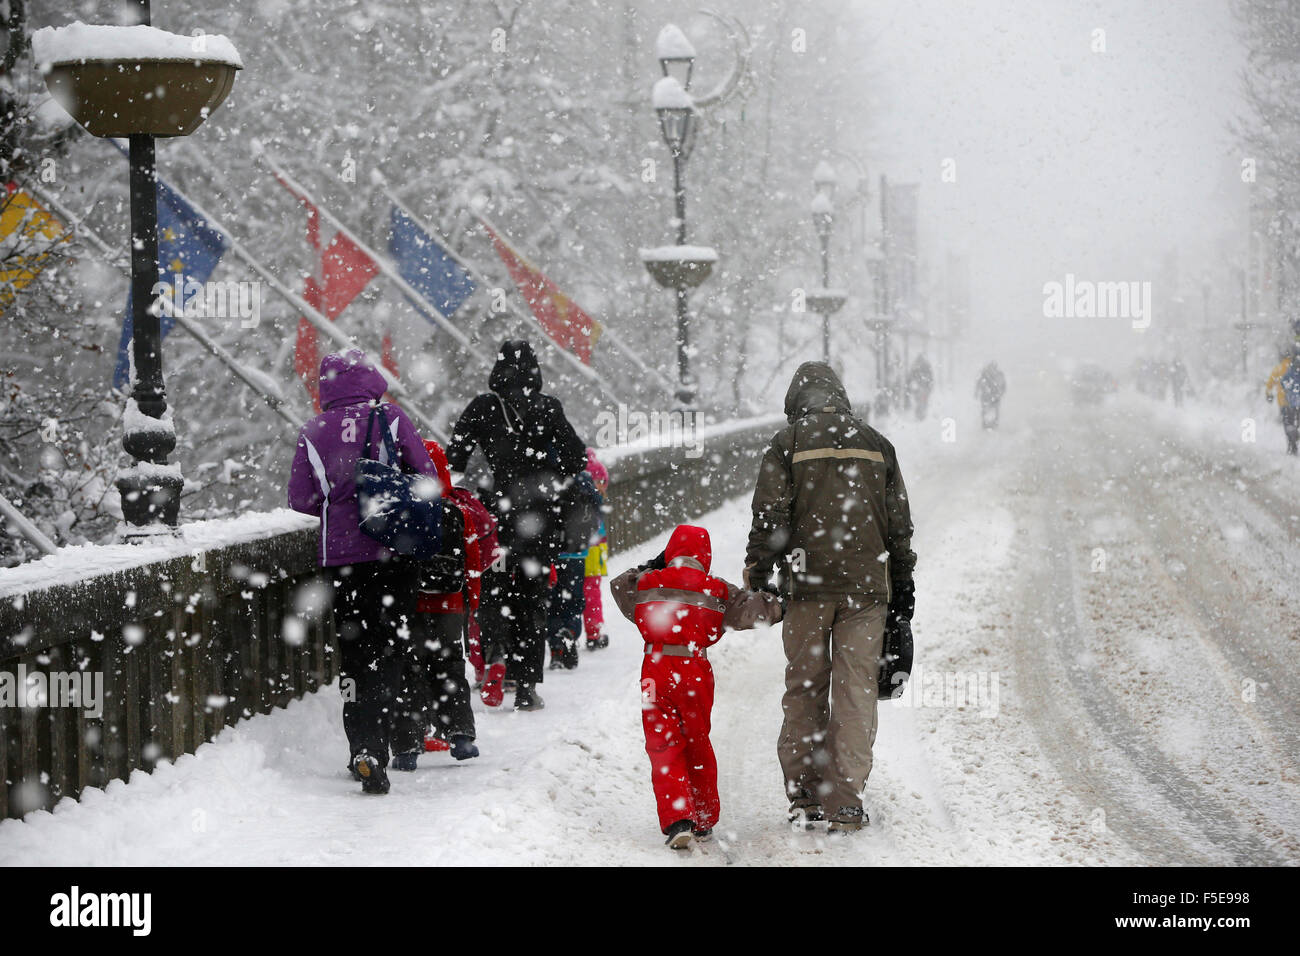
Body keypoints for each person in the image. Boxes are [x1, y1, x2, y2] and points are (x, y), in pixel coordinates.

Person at [745, 361, 916, 833]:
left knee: (805, 686)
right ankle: (846, 800)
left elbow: (769, 516)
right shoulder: (878, 445)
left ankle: (804, 793)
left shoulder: (788, 444)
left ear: (796, 402)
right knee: (856, 691)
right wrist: (903, 586)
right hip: (867, 589)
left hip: (807, 585)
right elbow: (899, 527)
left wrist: (760, 573)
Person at [287, 349, 439, 795]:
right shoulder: (389, 417)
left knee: (355, 656)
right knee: (391, 649)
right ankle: (388, 741)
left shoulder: (313, 430)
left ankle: (361, 749)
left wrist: (339, 503)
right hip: (393, 551)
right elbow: (426, 474)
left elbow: (301, 500)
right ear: (371, 378)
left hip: (341, 560)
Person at [610, 524, 782, 849]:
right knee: (697, 741)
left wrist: (654, 564)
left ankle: (678, 820)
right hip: (694, 671)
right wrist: (776, 603)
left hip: (655, 670)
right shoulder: (715, 589)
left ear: (671, 552)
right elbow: (751, 608)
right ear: (705, 555)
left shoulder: (648, 584)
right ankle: (702, 818)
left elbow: (620, 585)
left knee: (662, 746)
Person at [446, 340, 587, 711]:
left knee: (493, 594)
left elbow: (454, 458)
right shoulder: (548, 408)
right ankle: (526, 686)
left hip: (494, 520)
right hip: (537, 522)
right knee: (532, 600)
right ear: (535, 371)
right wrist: (545, 472)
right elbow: (576, 459)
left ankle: (495, 659)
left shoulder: (483, 407)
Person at [391, 440, 482, 769]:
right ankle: (460, 734)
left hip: (411, 605)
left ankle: (406, 747)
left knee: (409, 672)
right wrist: (472, 600)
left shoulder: (398, 510)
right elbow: (472, 561)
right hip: (450, 605)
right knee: (450, 668)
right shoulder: (456, 511)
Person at [547, 467, 600, 670]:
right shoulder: (582, 476)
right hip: (577, 551)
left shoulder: (545, 474)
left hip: (552, 553)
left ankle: (555, 650)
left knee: (552, 602)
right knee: (575, 599)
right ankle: (570, 632)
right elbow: (597, 505)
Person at [583, 448, 611, 652]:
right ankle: (594, 632)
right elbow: (600, 497)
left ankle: (564, 633)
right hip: (594, 542)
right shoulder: (596, 469)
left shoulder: (570, 471)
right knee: (591, 589)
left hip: (572, 544)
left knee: (568, 589)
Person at [1265, 342, 1300, 455]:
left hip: (1284, 402)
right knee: (1296, 423)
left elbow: (1270, 384)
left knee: (1288, 424)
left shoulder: (1278, 368)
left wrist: (1269, 395)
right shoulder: (1294, 366)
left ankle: (1291, 445)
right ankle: (1295, 439)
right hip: (1297, 402)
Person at [975, 360, 1006, 429]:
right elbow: (979, 383)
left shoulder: (986, 374)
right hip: (990, 395)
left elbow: (1003, 384)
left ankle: (991, 422)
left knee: (991, 409)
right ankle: (988, 422)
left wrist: (977, 392)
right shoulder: (986, 374)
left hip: (992, 395)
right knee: (989, 409)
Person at [907, 354, 934, 420]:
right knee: (921, 401)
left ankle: (920, 414)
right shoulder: (925, 365)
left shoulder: (916, 366)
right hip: (922, 387)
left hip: (920, 387)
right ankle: (921, 414)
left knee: (920, 401)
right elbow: (930, 377)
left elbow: (911, 376)